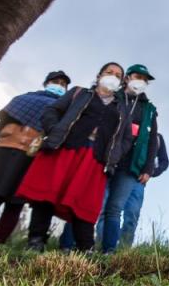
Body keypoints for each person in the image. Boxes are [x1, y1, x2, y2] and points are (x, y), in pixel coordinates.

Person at [16, 62, 132, 252]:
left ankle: (86, 248)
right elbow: (52, 111)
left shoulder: (121, 110)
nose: (113, 76)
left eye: (118, 75)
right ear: (99, 75)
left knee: (85, 204)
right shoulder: (79, 93)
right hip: (64, 149)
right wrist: (54, 130)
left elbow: (126, 138)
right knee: (46, 195)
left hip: (95, 159)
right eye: (109, 72)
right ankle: (36, 240)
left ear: (120, 83)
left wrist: (116, 154)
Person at [0, 71, 71, 243]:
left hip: (33, 156)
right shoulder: (24, 98)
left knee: (15, 203)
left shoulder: (63, 109)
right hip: (5, 150)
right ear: (46, 83)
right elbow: (3, 120)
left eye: (63, 84)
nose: (59, 85)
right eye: (55, 81)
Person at [99, 64, 159, 253]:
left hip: (130, 165)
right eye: (136, 76)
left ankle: (109, 250)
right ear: (127, 78)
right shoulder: (114, 99)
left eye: (144, 79)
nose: (139, 81)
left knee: (115, 208)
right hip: (106, 159)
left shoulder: (149, 110)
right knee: (99, 204)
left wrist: (148, 168)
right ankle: (88, 245)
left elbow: (152, 141)